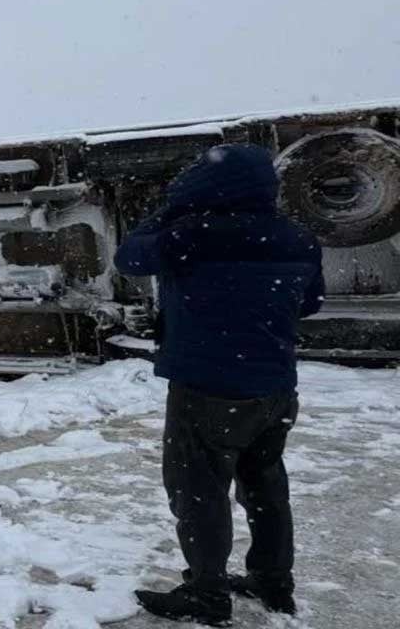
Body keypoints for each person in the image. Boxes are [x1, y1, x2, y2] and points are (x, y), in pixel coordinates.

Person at [114, 143, 324, 626]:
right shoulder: (298, 237)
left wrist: (169, 211)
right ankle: (273, 582)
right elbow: (309, 304)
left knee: (199, 491)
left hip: (206, 387)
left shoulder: (190, 234)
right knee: (265, 486)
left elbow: (129, 257)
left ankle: (206, 594)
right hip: (275, 388)